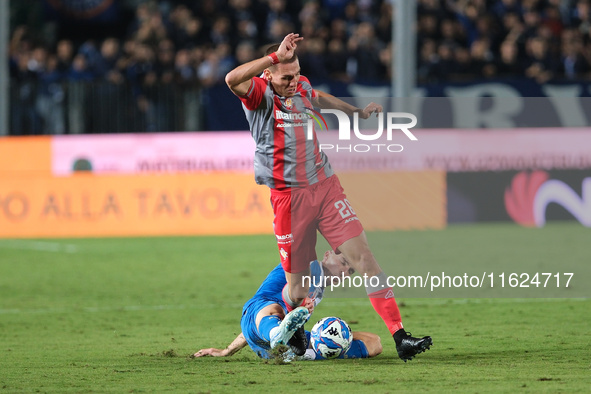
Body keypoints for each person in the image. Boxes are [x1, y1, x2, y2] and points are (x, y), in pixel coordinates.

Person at [224, 32, 432, 362]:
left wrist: (357, 112)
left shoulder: (301, 85)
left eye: (297, 74)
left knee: (364, 258)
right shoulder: (259, 94)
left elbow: (318, 97)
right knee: (297, 291)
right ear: (270, 73)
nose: (294, 82)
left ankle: (400, 336)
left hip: (325, 185)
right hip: (289, 200)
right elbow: (231, 78)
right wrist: (274, 57)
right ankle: (293, 337)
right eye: (286, 77)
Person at [194, 251, 382, 361]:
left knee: (374, 343)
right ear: (326, 255)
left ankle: (298, 350)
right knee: (276, 310)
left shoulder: (319, 290)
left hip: (276, 335)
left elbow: (258, 326)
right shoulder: (306, 267)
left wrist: (227, 351)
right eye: (343, 262)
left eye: (350, 271)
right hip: (260, 317)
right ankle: (293, 347)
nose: (344, 271)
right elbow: (260, 315)